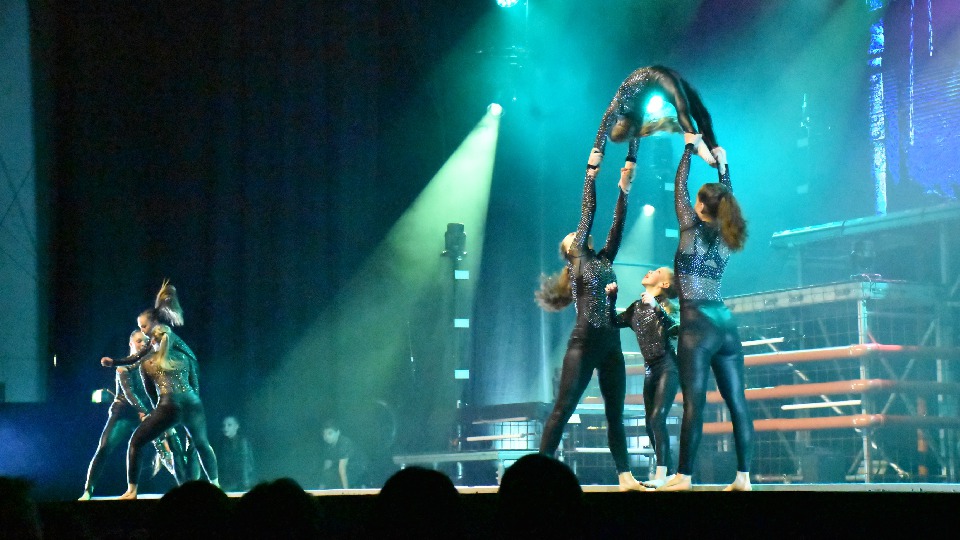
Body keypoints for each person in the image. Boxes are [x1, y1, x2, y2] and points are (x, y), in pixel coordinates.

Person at [535, 144, 643, 491]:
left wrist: (624, 192)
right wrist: (590, 177)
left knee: (616, 414)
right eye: (573, 237)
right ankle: (539, 472)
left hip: (610, 344)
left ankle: (625, 477)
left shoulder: (605, 258)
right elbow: (588, 212)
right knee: (563, 408)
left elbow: (616, 225)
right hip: (583, 344)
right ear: (570, 251)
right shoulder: (578, 261)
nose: (577, 234)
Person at [657, 135, 753, 491]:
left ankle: (683, 476)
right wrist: (723, 165)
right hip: (724, 322)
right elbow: (726, 195)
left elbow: (678, 186)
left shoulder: (689, 229)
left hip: (697, 324)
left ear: (699, 206)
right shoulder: (727, 231)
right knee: (737, 401)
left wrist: (687, 148)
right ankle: (744, 477)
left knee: (694, 403)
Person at [102, 281, 219, 499]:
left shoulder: (152, 355)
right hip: (192, 402)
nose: (143, 332)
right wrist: (195, 394)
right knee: (202, 444)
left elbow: (136, 360)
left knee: (136, 442)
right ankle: (216, 485)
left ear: (153, 324)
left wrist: (114, 362)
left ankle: (131, 490)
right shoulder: (175, 347)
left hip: (171, 405)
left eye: (144, 327)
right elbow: (192, 364)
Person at [587, 65, 721, 192]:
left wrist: (596, 158)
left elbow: (606, 122)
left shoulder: (621, 109)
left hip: (658, 78)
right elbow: (629, 136)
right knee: (697, 111)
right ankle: (708, 145)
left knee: (690, 111)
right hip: (662, 79)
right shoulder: (633, 122)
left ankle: (699, 142)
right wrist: (628, 163)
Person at [606, 266, 680, 489]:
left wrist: (657, 307)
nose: (649, 271)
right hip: (650, 369)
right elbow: (614, 322)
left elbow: (675, 328)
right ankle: (669, 471)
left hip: (668, 365)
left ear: (664, 284)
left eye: (656, 271)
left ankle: (662, 473)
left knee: (657, 418)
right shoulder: (636, 307)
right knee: (650, 422)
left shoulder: (669, 307)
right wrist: (611, 298)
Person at [80, 330, 175, 500]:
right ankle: (88, 490)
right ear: (131, 344)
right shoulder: (123, 367)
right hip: (124, 412)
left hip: (144, 411)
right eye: (139, 341)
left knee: (163, 445)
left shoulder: (150, 364)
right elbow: (129, 393)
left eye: (145, 341)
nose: (143, 344)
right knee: (104, 447)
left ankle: (184, 483)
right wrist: (144, 412)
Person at [317, 419, 367, 489]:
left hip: (359, 468)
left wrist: (345, 491)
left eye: (330, 433)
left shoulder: (345, 443)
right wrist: (320, 490)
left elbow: (342, 469)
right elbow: (326, 469)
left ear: (338, 433)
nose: (326, 437)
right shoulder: (328, 446)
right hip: (345, 468)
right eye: (324, 434)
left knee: (340, 482)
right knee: (328, 474)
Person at [215, 415, 255, 492]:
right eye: (224, 425)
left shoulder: (243, 442)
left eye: (229, 425)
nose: (225, 428)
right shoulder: (221, 443)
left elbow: (245, 463)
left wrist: (245, 483)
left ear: (237, 426)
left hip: (241, 482)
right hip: (227, 482)